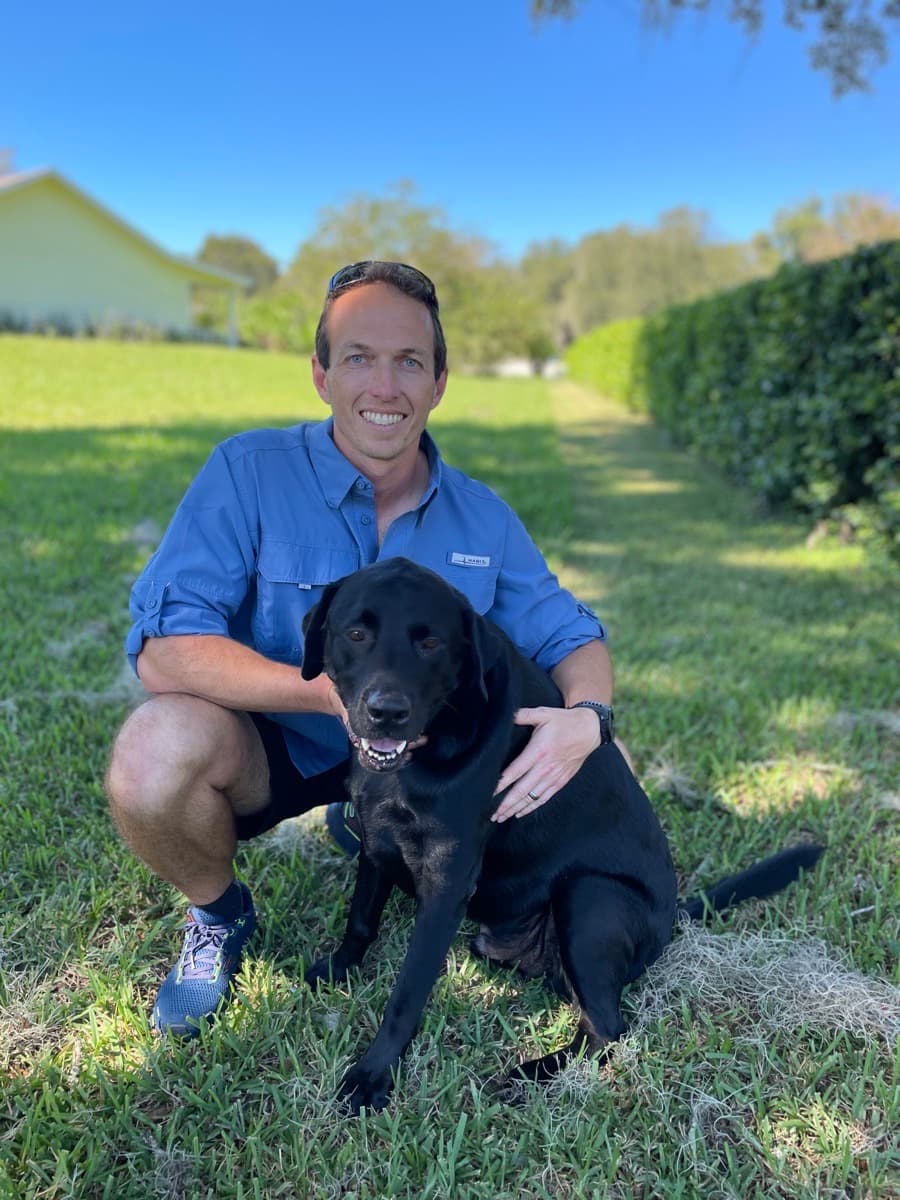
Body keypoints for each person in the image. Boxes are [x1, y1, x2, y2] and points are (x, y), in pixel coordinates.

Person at [105, 260, 626, 1038]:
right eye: (358, 357)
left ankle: (367, 819)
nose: (384, 387)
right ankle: (219, 915)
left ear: (440, 382)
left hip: (415, 765)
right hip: (275, 741)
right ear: (321, 374)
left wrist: (588, 718)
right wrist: (323, 694)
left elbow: (570, 635)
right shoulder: (247, 472)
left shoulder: (483, 518)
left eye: (409, 361)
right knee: (150, 756)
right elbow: (164, 651)